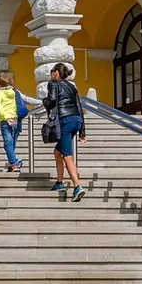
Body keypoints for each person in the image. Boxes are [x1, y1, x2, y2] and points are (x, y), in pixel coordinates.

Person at [42, 62, 86, 201]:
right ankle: (59, 182)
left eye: (51, 72)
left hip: (64, 121)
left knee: (67, 155)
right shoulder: (72, 86)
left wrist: (45, 101)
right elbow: (79, 107)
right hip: (76, 120)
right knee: (57, 152)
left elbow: (52, 100)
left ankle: (77, 186)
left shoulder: (53, 83)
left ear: (56, 72)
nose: (50, 74)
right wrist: (82, 132)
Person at [0, 73, 25, 172]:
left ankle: (14, 164)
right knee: (10, 143)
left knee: (8, 143)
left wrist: (6, 118)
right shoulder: (12, 92)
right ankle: (13, 162)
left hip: (6, 121)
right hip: (15, 119)